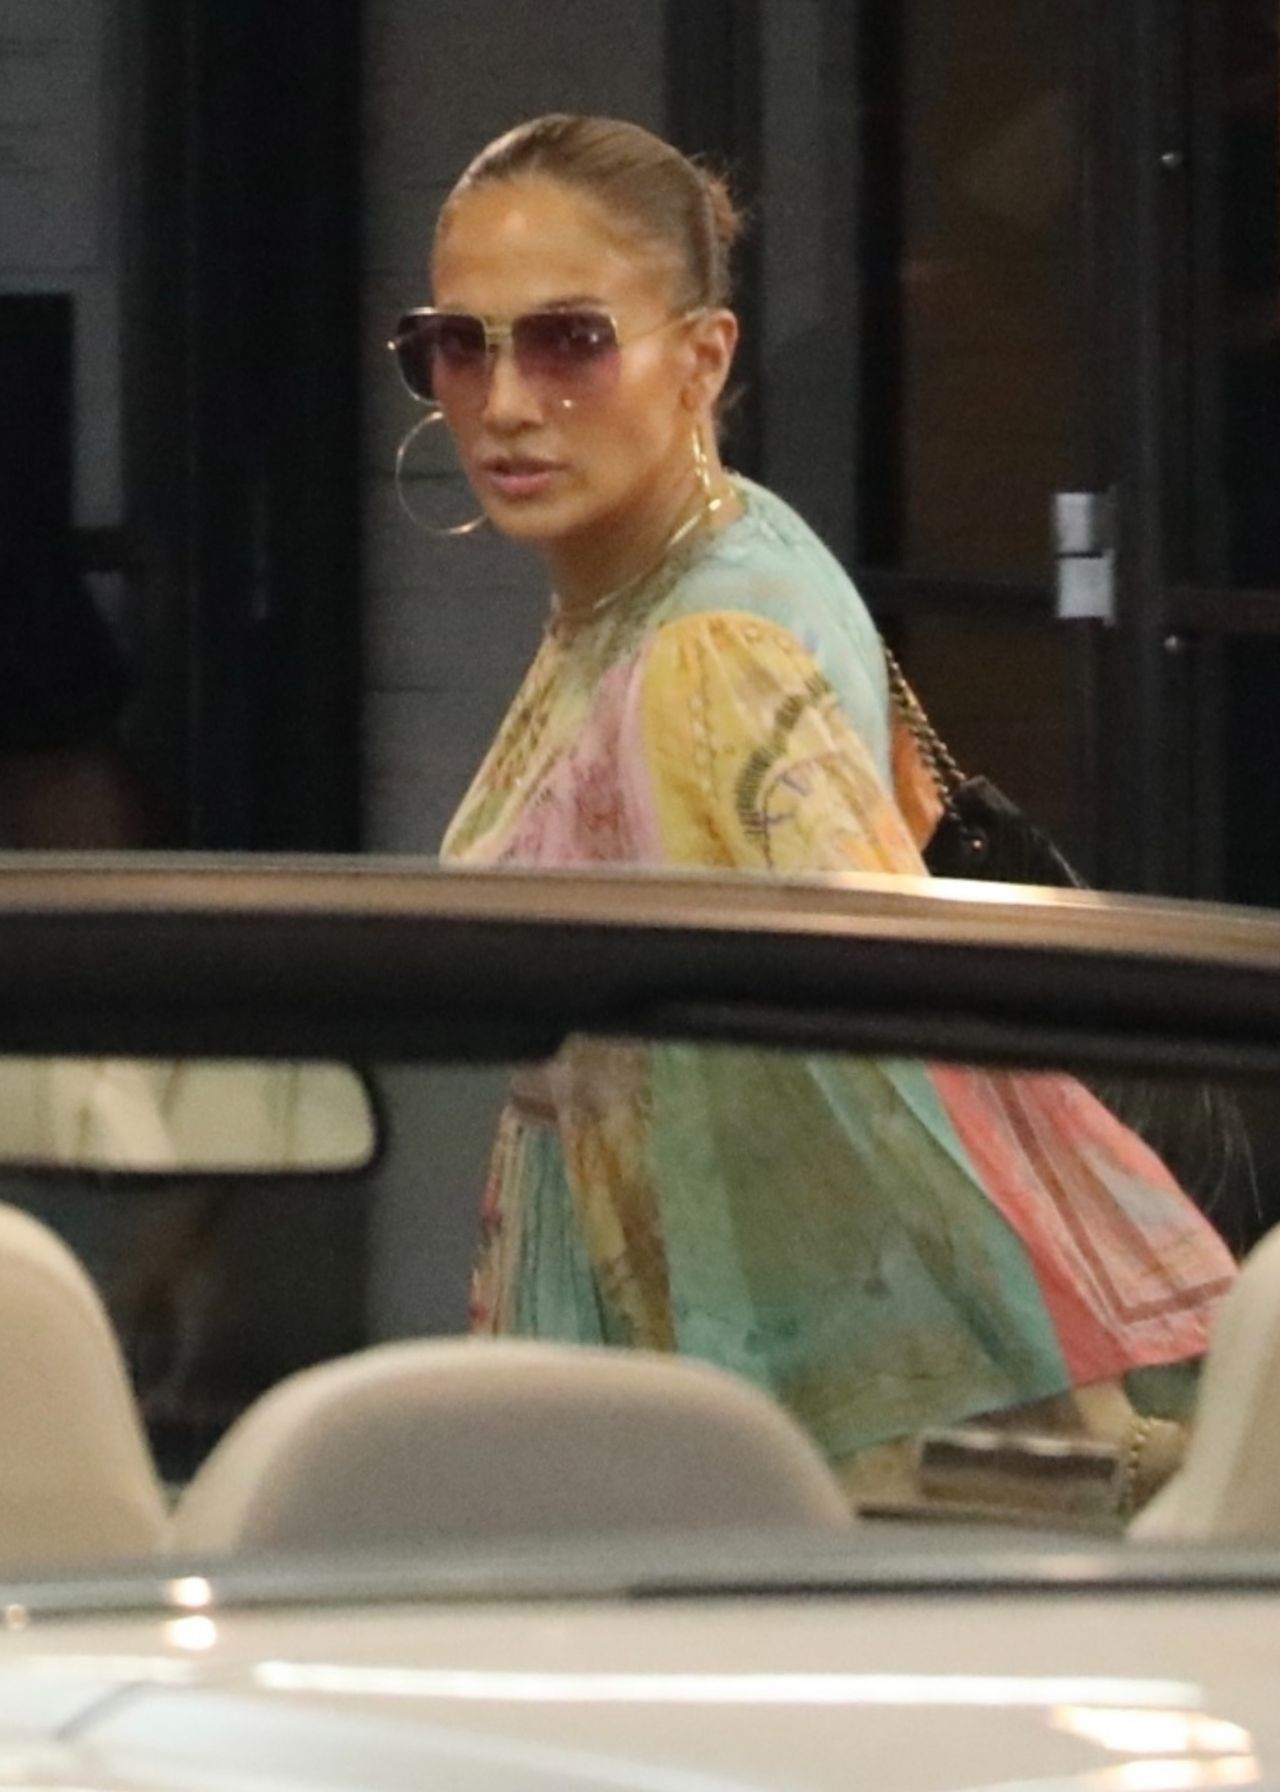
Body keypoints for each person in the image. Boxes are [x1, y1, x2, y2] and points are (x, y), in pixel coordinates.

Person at [392, 113, 1236, 1511]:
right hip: (704, 1385)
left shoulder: (705, 654)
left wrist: (1076, 1433)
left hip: (751, 1427)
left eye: (570, 341)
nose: (505, 401)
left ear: (703, 358)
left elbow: (876, 1085)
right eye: (456, 345)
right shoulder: (693, 557)